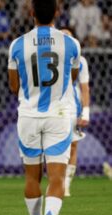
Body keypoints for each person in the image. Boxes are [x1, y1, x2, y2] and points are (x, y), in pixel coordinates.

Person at [8, 0, 81, 215]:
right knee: (57, 179)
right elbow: (73, 77)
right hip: (58, 116)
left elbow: (13, 87)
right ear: (57, 13)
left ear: (31, 13)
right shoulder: (71, 43)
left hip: (29, 116)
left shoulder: (17, 44)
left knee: (32, 178)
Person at [60, 28, 90, 197]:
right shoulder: (50, 58)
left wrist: (85, 113)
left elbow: (85, 88)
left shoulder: (81, 61)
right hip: (52, 105)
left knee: (72, 145)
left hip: (73, 107)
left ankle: (66, 184)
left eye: (68, 36)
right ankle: (56, 180)